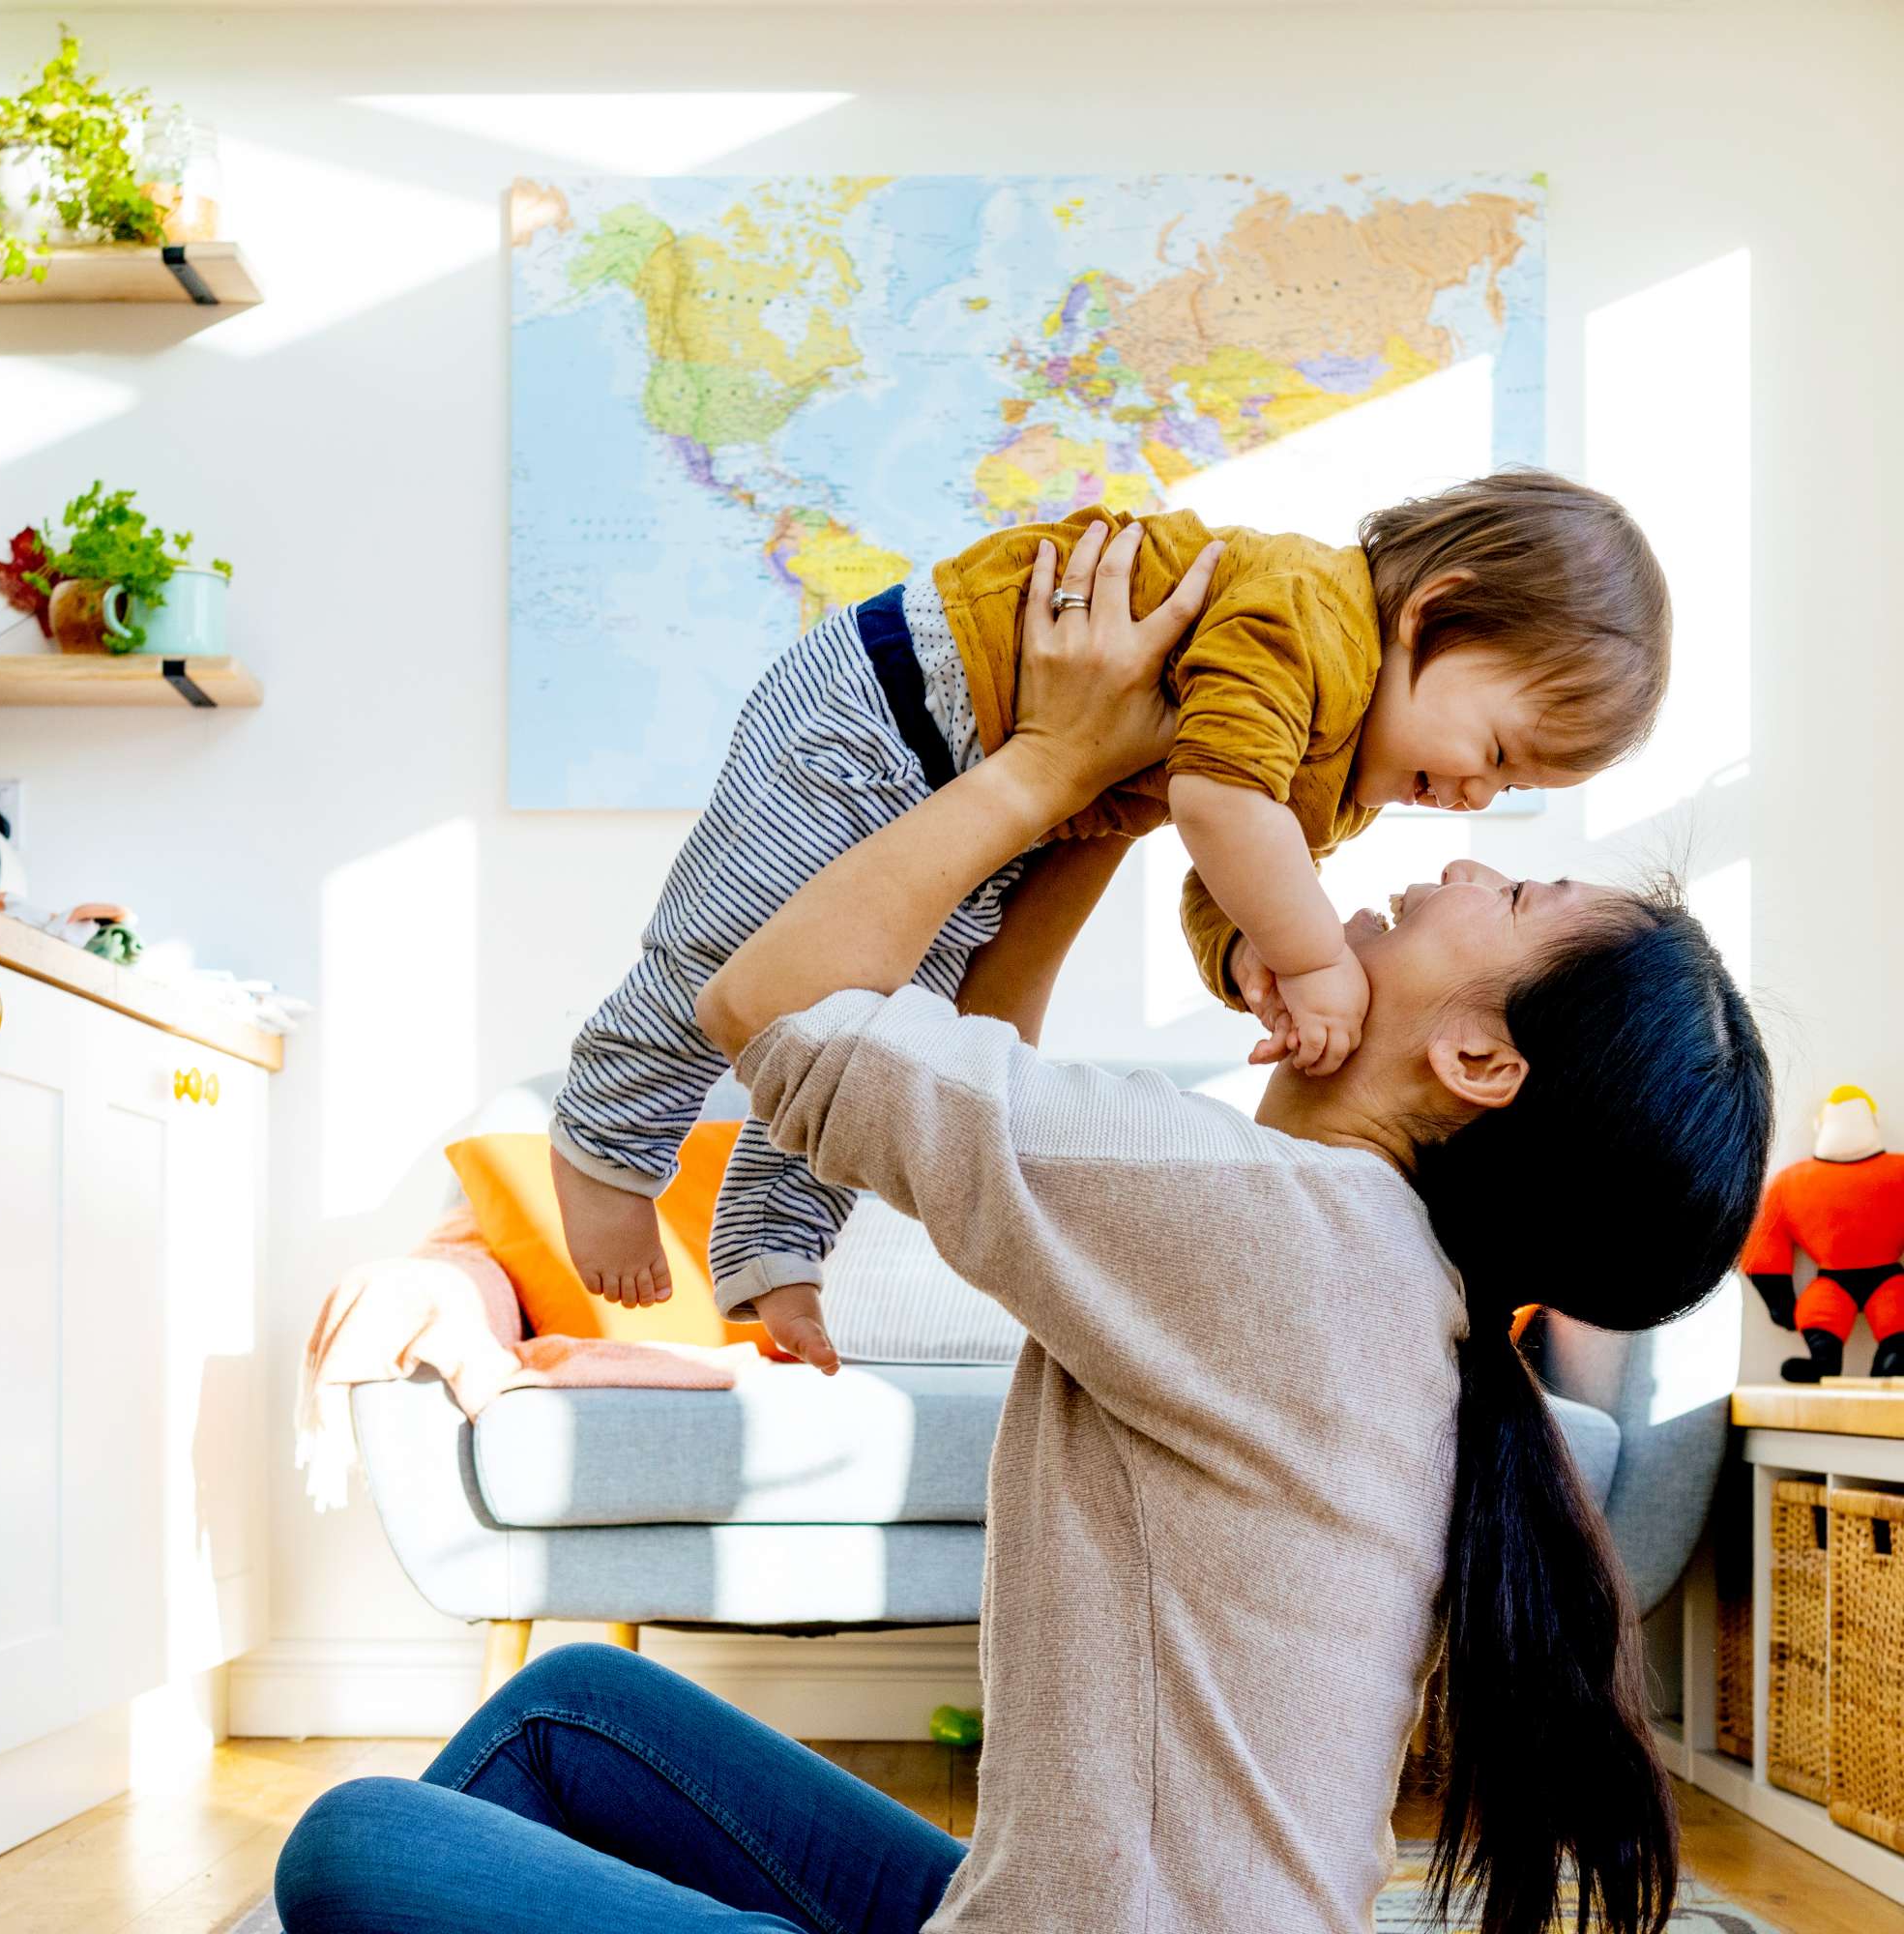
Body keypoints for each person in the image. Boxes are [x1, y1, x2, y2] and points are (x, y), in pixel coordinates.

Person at [277, 530, 1769, 1934]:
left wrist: (1050, 753)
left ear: (1483, 1066)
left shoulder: (1270, 1231)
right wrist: (1100, 802)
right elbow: (974, 1056)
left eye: (1502, 892)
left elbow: (767, 1005)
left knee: (358, 1844)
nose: (1454, 861)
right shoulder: (1354, 1258)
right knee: (573, 1715)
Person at [550, 477, 1671, 1366]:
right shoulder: (1311, 618)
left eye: (1512, 790)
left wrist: (1248, 953)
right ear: (1430, 615)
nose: (1475, 810)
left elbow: (1214, 859)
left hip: (999, 779)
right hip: (897, 708)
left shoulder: (1326, 779)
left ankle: (771, 1234)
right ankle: (605, 1139)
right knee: (725, 937)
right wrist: (1306, 952)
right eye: (1496, 752)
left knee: (885, 1017)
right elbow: (1215, 804)